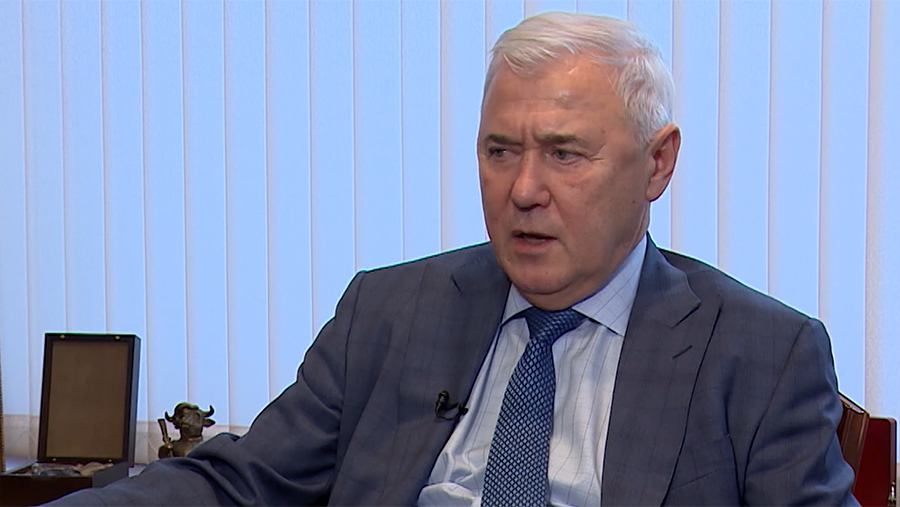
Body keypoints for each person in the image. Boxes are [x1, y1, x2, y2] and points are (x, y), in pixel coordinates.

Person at [52, 12, 856, 506]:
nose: (524, 189)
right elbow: (241, 484)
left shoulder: (758, 352)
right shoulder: (390, 312)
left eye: (565, 154)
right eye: (500, 151)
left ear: (657, 163)